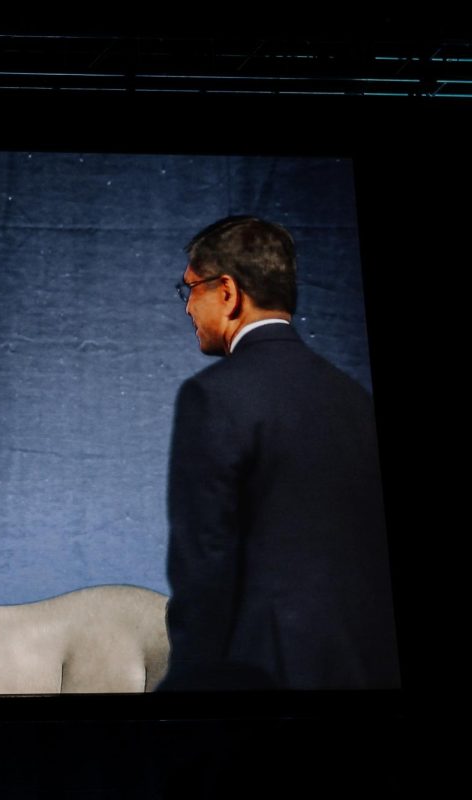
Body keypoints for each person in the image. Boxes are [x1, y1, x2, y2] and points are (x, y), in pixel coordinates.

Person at [160, 215, 399, 690]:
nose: (187, 308)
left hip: (265, 684)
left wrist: (184, 692)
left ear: (227, 292)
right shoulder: (356, 399)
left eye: (190, 289)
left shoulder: (214, 396)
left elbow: (205, 568)